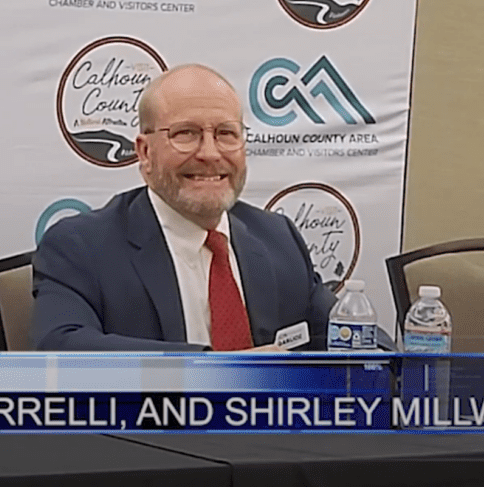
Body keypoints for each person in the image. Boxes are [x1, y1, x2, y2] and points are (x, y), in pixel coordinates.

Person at [33, 64, 337, 351]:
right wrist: (212, 372)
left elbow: (346, 331)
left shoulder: (277, 237)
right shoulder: (80, 247)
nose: (209, 153)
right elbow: (64, 351)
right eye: (185, 134)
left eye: (226, 134)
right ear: (145, 152)